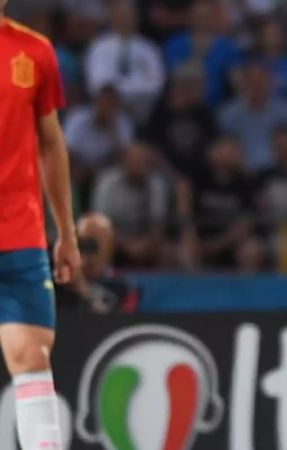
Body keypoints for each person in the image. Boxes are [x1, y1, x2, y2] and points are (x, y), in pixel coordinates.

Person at [0, 3, 81, 449]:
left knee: (31, 356)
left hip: (19, 237)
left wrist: (66, 234)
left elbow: (51, 144)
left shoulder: (34, 52)